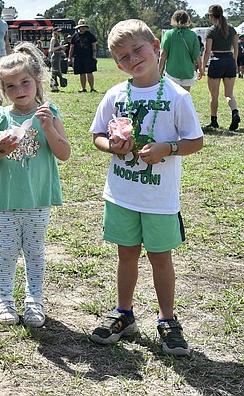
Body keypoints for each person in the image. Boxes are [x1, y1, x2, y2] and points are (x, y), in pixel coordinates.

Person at [89, 19, 203, 356]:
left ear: (155, 46)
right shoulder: (115, 94)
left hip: (158, 198)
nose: (131, 59)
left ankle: (167, 320)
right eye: (122, 56)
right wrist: (112, 146)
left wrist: (165, 149)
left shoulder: (177, 95)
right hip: (122, 193)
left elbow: (195, 141)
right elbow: (97, 134)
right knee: (126, 254)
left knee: (160, 258)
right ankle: (124, 314)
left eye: (137, 50)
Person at [0, 43, 71, 328]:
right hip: (7, 199)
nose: (19, 90)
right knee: (6, 251)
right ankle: (4, 299)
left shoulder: (50, 114)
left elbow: (64, 153)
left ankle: (34, 300)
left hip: (38, 198)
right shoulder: (1, 117)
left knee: (34, 252)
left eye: (25, 83)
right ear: (3, 89)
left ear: (37, 80)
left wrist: (48, 129)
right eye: (11, 86)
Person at [199, 4, 241, 131]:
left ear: (211, 16)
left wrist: (202, 67)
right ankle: (234, 112)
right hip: (229, 60)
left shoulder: (211, 30)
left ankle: (214, 120)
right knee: (229, 94)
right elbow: (236, 49)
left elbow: (207, 51)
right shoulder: (232, 29)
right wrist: (234, 62)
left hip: (216, 61)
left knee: (214, 95)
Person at [158, 10, 201, 93]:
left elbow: (163, 55)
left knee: (173, 97)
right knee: (185, 97)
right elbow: (196, 55)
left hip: (172, 71)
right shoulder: (193, 35)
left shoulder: (168, 34)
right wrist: (201, 69)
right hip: (187, 71)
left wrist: (159, 71)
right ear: (187, 20)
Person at [68, 19, 98, 92]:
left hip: (88, 57)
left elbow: (94, 46)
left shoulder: (90, 35)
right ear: (78, 27)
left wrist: (94, 56)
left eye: (84, 26)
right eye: (81, 26)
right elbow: (72, 47)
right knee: (81, 73)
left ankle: (92, 88)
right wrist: (69, 58)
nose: (83, 28)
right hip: (78, 57)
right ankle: (83, 88)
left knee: (89, 72)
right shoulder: (75, 36)